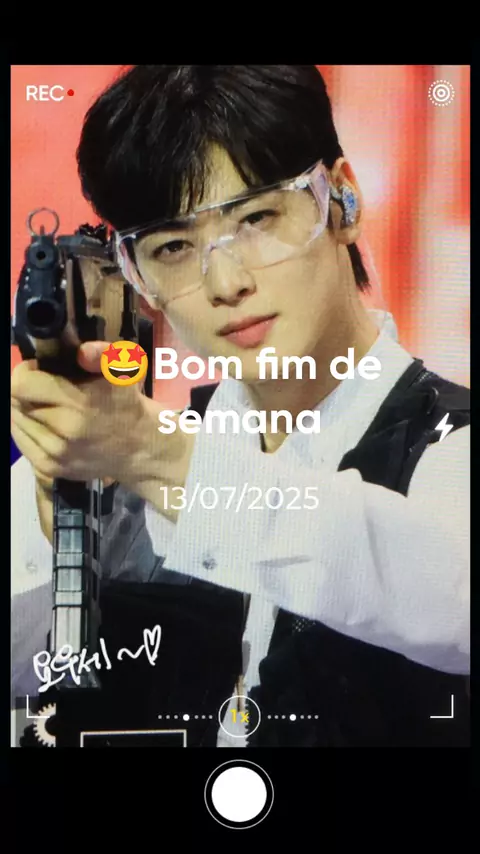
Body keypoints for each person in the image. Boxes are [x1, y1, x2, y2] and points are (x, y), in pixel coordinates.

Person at [11, 65, 470, 747]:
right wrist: (61, 542)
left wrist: (152, 456)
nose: (225, 282)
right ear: (136, 276)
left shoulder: (451, 449)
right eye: (174, 247)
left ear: (342, 200)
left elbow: (444, 587)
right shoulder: (101, 471)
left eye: (256, 219)